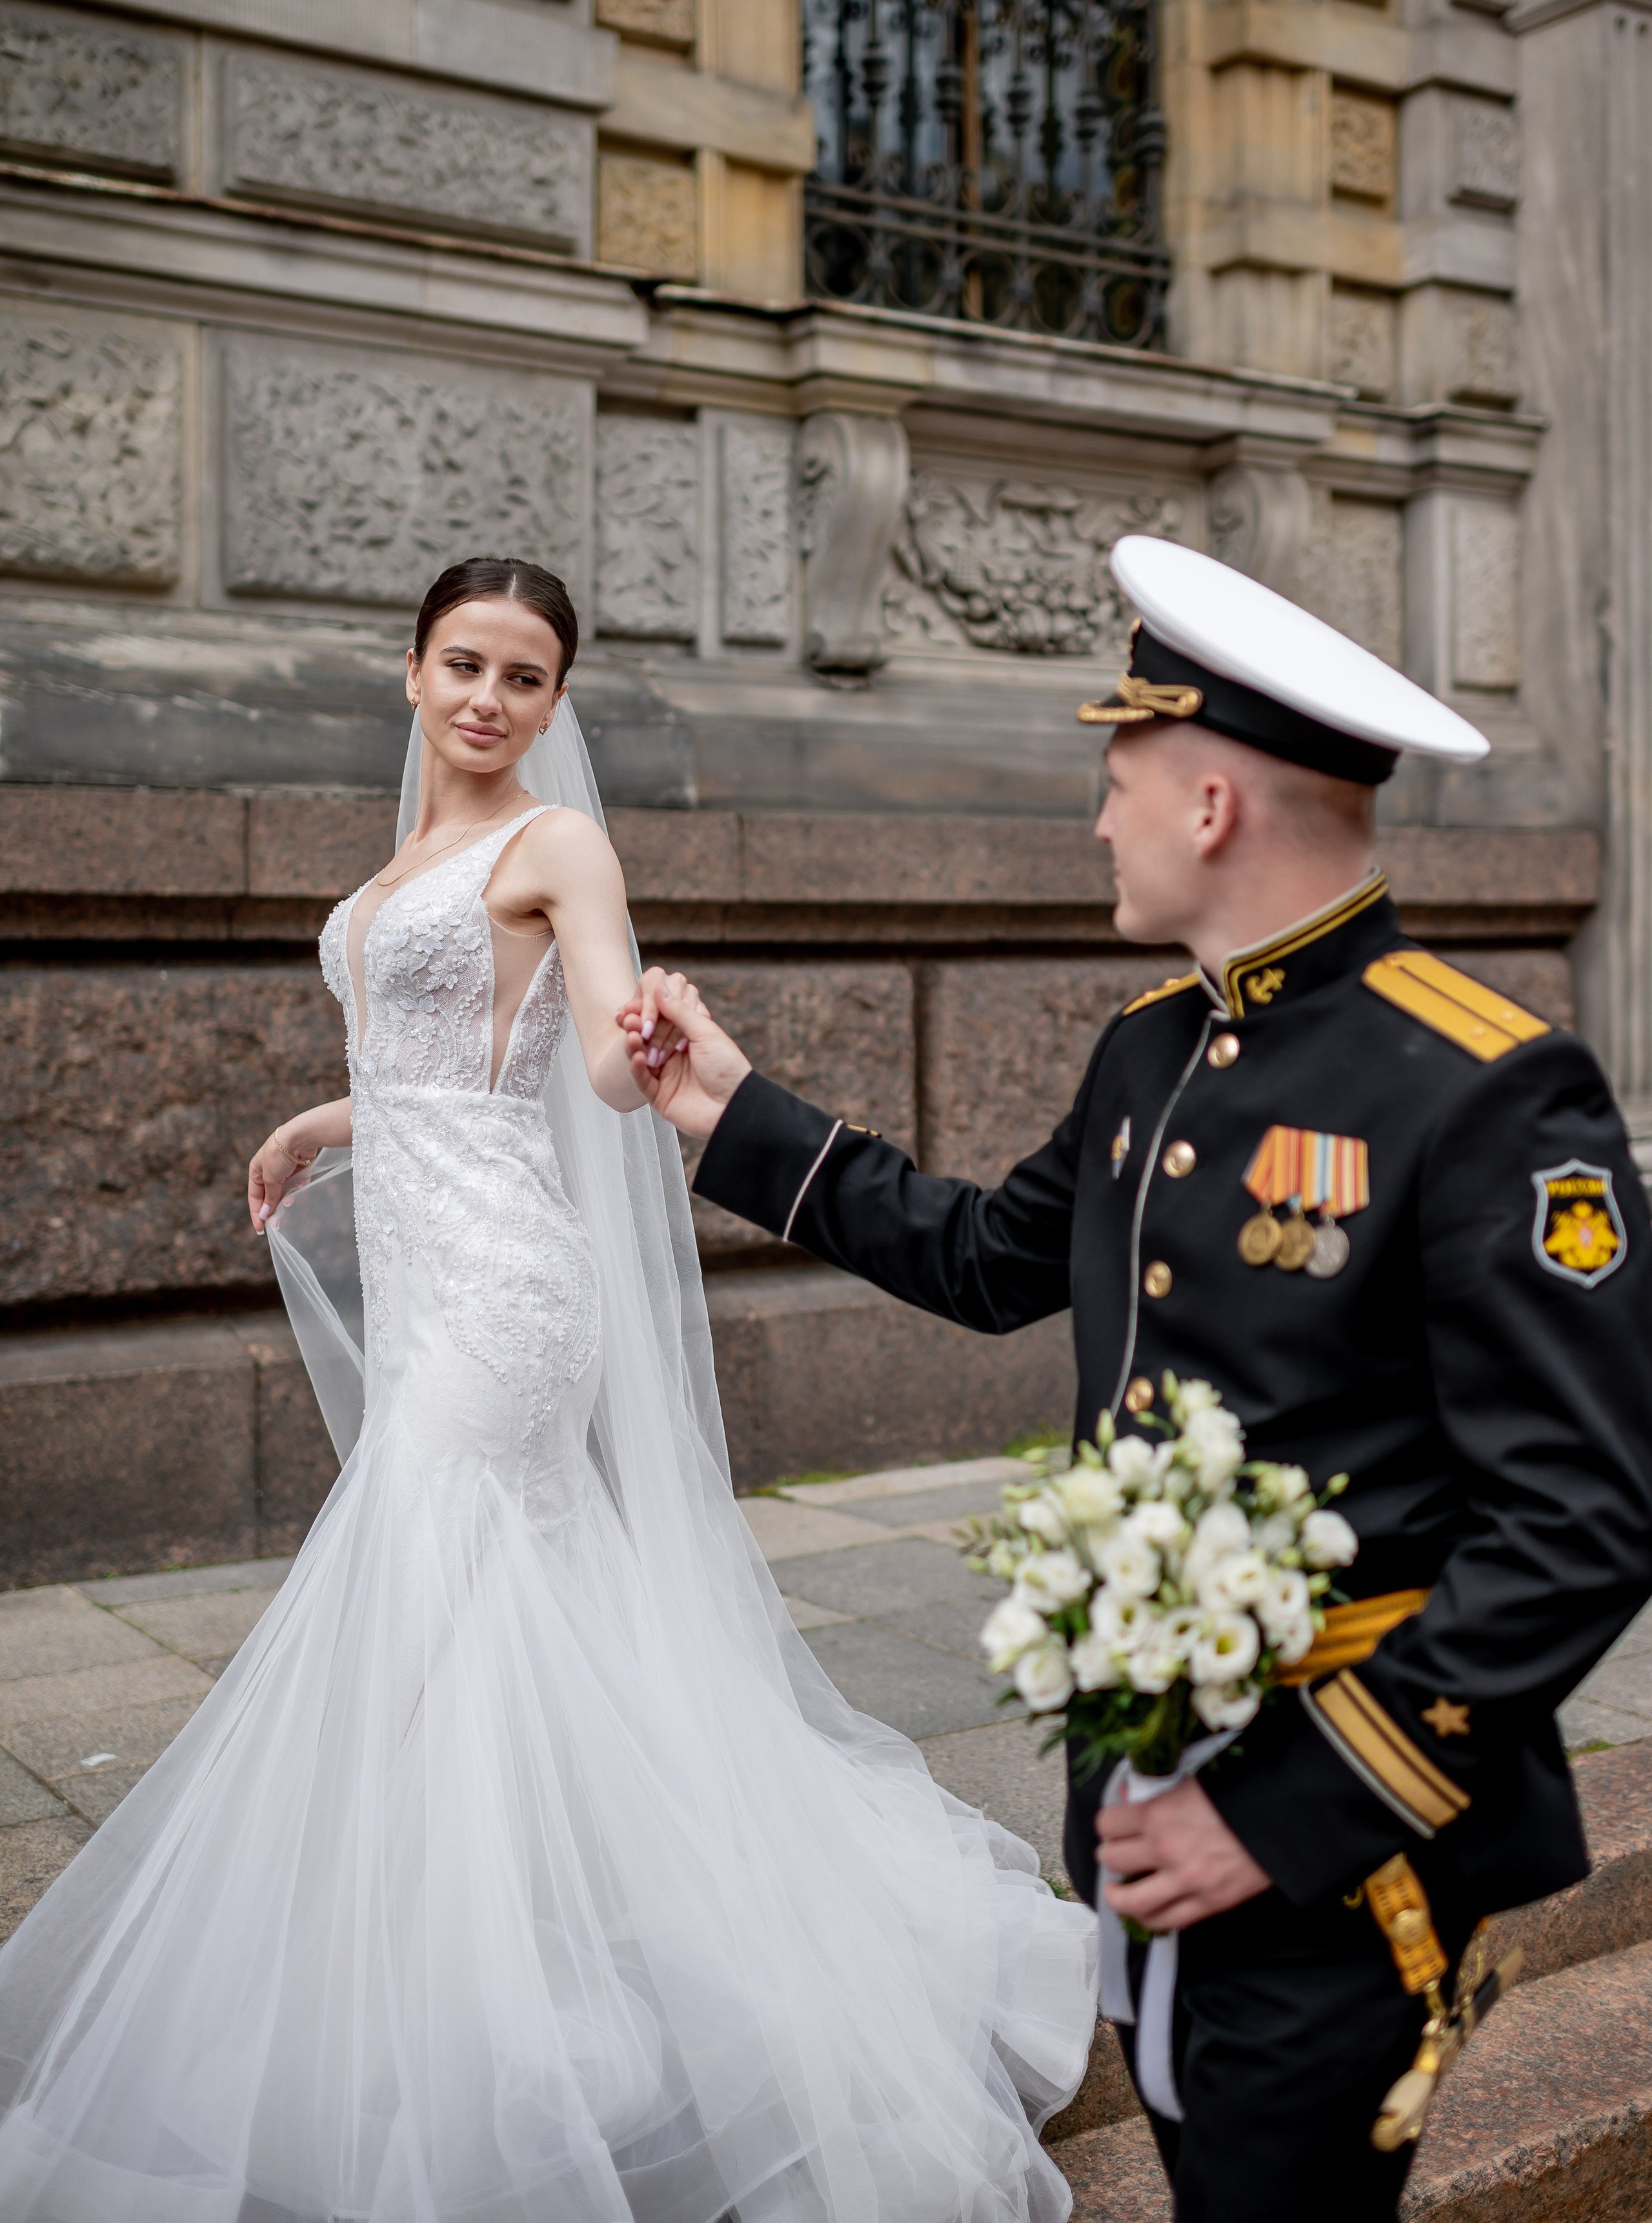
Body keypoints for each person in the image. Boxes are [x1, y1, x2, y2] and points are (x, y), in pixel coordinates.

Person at [0, 556, 1098, 2223]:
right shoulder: (409, 863)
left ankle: (490, 2030)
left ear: (557, 702)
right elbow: (436, 1071)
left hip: (509, 1298)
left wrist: (655, 1043)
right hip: (435, 1266)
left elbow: (580, 1057)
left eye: (524, 678)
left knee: (416, 1610)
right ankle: (545, 1986)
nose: (488, 700)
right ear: (412, 671)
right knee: (509, 1622)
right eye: (463, 665)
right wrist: (324, 1121)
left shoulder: (557, 844)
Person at [620, 536, 1652, 2223]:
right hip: (1140, 1781)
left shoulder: (1483, 1085)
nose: (1098, 820)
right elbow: (981, 1260)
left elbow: (1587, 1525)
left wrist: (1292, 1813)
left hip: (1343, 1830)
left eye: (1117, 780)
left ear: (1211, 804)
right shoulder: (1151, 1051)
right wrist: (729, 1113)